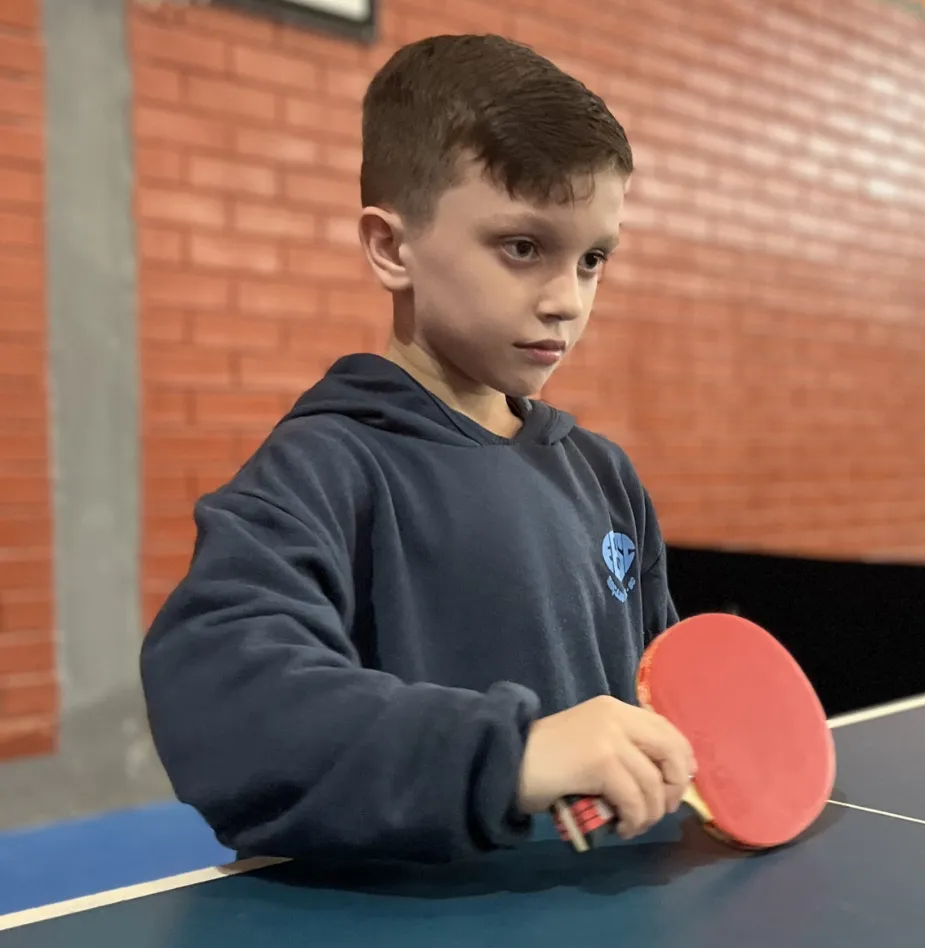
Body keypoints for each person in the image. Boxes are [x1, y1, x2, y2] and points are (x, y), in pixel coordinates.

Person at [139, 33, 696, 864]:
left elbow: (659, 697)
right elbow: (219, 700)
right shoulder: (325, 468)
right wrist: (514, 756)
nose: (565, 300)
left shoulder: (604, 476)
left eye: (592, 260)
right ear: (392, 247)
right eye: (522, 247)